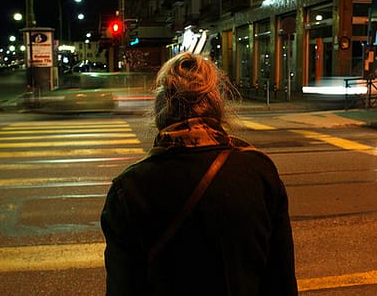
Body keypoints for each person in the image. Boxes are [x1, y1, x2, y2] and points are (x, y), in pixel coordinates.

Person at [101, 52, 298, 295]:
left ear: (161, 108)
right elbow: (281, 282)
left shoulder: (128, 189)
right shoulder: (260, 172)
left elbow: (122, 288)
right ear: (217, 105)